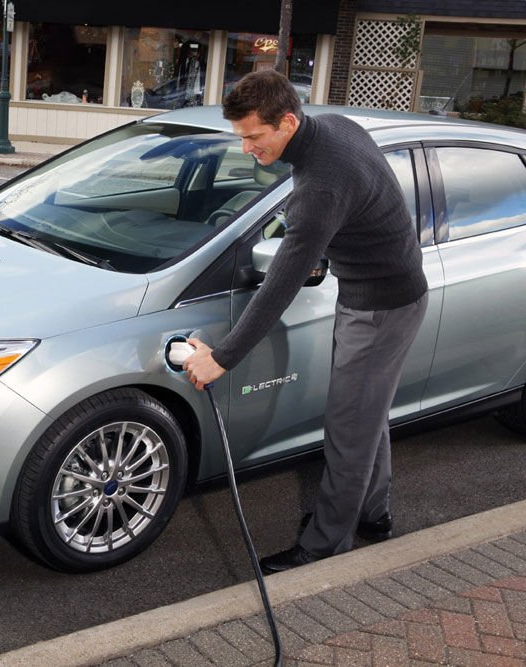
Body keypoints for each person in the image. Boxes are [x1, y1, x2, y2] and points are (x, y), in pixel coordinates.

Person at [182, 70, 428, 573]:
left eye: (254, 136)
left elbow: (279, 286)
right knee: (366, 415)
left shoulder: (319, 186)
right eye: (241, 136)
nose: (246, 147)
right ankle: (373, 515)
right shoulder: (337, 126)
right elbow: (366, 201)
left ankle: (323, 548)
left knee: (347, 427)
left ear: (288, 121)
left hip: (380, 307)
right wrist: (332, 247)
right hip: (386, 292)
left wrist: (221, 359)